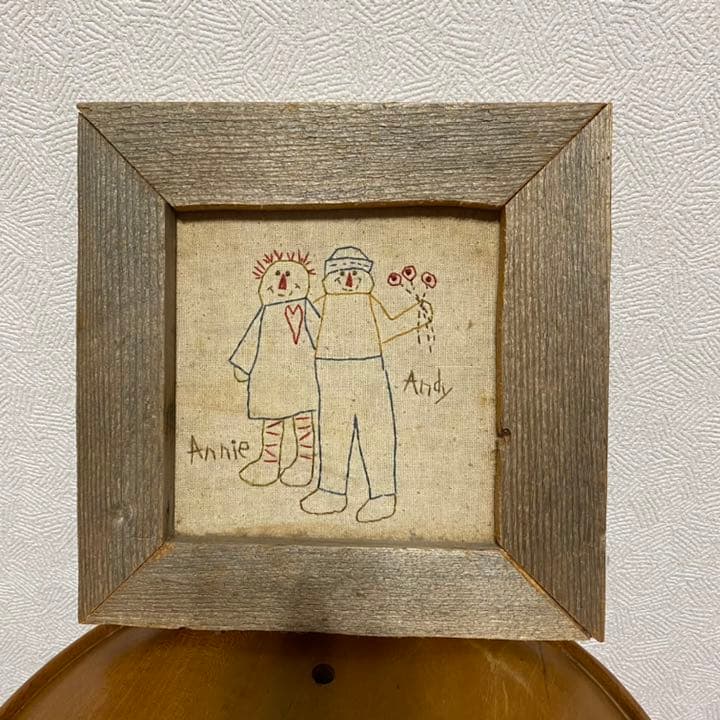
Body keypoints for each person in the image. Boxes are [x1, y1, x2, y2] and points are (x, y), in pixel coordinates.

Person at [300, 246, 431, 522]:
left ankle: (382, 494)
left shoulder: (368, 302)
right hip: (330, 371)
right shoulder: (322, 303)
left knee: (376, 430)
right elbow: (307, 330)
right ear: (329, 278)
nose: (349, 280)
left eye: (355, 274)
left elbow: (387, 328)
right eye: (341, 274)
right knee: (333, 431)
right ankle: (331, 491)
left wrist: (416, 316)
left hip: (370, 369)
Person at [230, 251, 320, 487]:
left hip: (302, 375)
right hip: (269, 377)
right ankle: (269, 461)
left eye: (289, 275)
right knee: (272, 419)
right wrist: (243, 365)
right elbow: (251, 340)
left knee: (303, 419)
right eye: (278, 274)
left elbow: (322, 335)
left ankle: (305, 461)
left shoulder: (306, 309)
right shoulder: (266, 313)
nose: (283, 281)